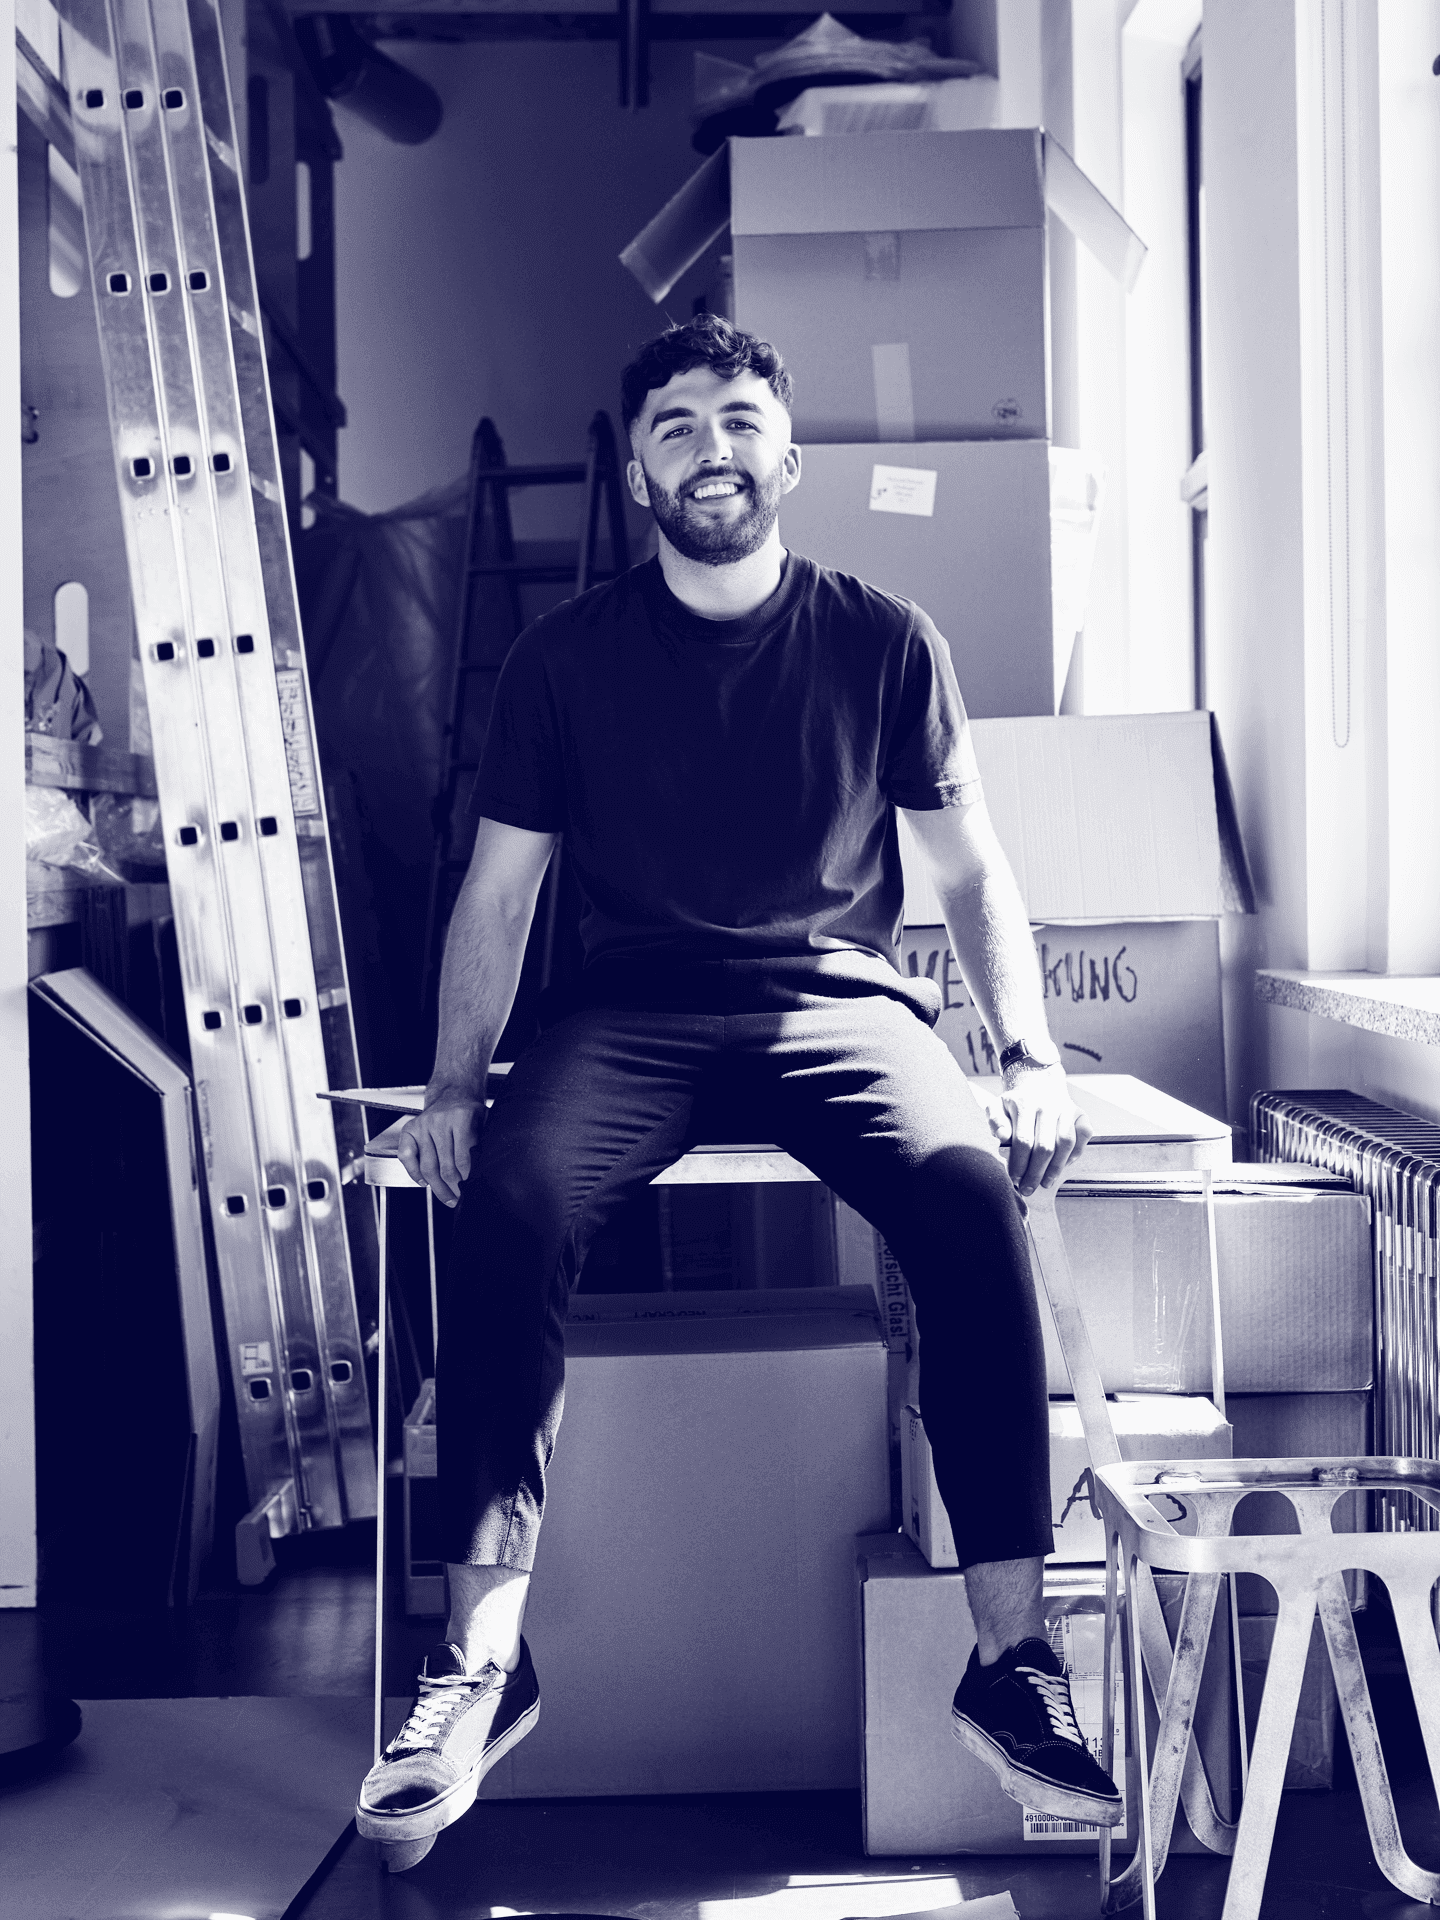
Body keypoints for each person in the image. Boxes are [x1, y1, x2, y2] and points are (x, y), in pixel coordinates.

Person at [355, 314, 1120, 1868]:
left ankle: (1011, 1656)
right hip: (623, 1014)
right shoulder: (563, 662)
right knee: (508, 1203)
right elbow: (500, 894)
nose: (713, 448)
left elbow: (974, 876)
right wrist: (451, 1089)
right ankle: (482, 1663)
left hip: (838, 1005)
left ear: (790, 455)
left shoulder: (884, 640)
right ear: (640, 472)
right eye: (678, 426)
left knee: (969, 1202)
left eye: (740, 419)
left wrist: (1031, 1059)